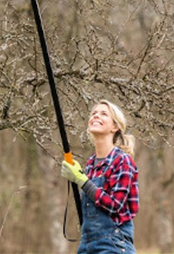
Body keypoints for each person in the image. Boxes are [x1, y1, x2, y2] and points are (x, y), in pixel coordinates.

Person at [61, 99, 139, 254]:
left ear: (115, 127)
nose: (96, 116)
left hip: (114, 244)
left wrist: (81, 180)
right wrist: (80, 177)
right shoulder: (91, 163)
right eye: (93, 113)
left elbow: (115, 205)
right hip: (87, 245)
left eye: (103, 114)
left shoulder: (122, 160)